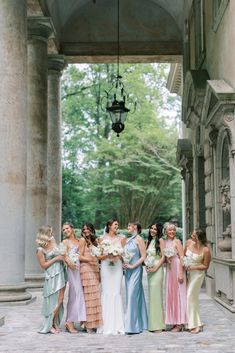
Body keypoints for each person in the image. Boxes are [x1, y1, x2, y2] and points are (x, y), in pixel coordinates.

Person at [36, 225, 66, 334]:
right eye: (50, 232)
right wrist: (57, 258)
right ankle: (49, 324)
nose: (52, 234)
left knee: (61, 299)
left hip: (61, 273)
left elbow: (60, 252)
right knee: (52, 301)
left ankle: (54, 322)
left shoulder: (53, 242)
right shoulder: (40, 249)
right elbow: (43, 265)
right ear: (45, 233)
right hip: (51, 276)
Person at [97, 219, 125, 334]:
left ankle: (117, 324)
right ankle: (106, 324)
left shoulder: (122, 239)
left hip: (117, 267)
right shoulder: (101, 239)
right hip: (106, 267)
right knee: (106, 292)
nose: (117, 226)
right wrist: (108, 255)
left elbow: (124, 255)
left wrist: (117, 256)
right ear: (109, 226)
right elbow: (99, 256)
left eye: (117, 224)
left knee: (116, 292)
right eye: (115, 224)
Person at [184, 228, 211, 334]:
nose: (191, 236)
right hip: (188, 273)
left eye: (194, 235)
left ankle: (195, 325)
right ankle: (196, 322)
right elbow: (182, 256)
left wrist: (193, 268)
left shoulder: (206, 250)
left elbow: (205, 266)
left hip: (198, 275)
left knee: (190, 296)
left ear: (199, 237)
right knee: (192, 298)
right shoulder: (188, 243)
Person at [123, 222, 148, 334]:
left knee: (133, 295)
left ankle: (132, 326)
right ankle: (140, 323)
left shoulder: (139, 239)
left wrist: (133, 265)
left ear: (135, 227)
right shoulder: (128, 240)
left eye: (129, 226)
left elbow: (143, 256)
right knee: (131, 296)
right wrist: (125, 262)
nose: (128, 228)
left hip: (136, 270)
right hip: (128, 270)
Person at [162, 224, 187, 331]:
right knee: (171, 294)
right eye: (170, 230)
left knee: (179, 294)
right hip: (169, 269)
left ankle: (180, 323)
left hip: (177, 268)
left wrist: (181, 272)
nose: (172, 231)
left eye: (173, 230)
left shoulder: (177, 242)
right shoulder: (165, 242)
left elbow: (182, 258)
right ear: (166, 231)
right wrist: (166, 260)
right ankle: (173, 320)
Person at [62, 222, 86, 333]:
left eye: (67, 228)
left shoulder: (79, 241)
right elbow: (64, 255)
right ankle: (69, 321)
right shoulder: (65, 242)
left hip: (80, 269)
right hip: (72, 270)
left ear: (72, 228)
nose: (65, 231)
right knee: (74, 293)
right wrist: (69, 263)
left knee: (81, 294)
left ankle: (81, 319)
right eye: (64, 230)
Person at [79, 222, 103, 333]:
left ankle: (93, 323)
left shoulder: (95, 241)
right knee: (90, 295)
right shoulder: (82, 240)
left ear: (91, 229)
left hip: (95, 268)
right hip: (86, 268)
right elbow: (79, 256)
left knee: (94, 296)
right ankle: (88, 325)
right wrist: (90, 259)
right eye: (84, 229)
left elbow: (100, 256)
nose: (85, 231)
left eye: (87, 229)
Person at [145, 222, 165, 333]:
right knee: (152, 297)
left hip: (157, 270)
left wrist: (155, 268)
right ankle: (153, 324)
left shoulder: (160, 241)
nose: (152, 230)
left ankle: (158, 325)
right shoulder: (149, 241)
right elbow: (147, 256)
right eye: (151, 228)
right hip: (150, 271)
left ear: (158, 231)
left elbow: (163, 257)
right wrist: (147, 266)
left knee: (156, 296)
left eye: (155, 229)